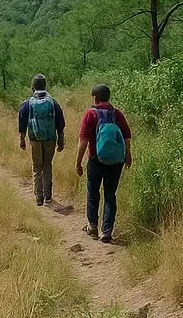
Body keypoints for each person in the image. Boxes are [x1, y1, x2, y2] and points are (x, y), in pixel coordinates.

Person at [75, 84, 131, 243]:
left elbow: (83, 141)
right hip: (115, 161)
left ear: (95, 98)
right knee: (110, 195)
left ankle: (92, 225)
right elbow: (126, 137)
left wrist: (78, 162)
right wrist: (128, 155)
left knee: (93, 192)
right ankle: (106, 231)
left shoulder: (90, 114)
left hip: (95, 159)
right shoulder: (117, 113)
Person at [17, 74, 66, 205]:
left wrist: (21, 139)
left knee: (37, 167)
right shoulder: (53, 102)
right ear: (45, 86)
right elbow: (60, 123)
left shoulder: (27, 103)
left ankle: (39, 197)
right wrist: (61, 140)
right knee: (47, 165)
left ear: (32, 87)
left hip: (35, 138)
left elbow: (22, 121)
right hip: (50, 138)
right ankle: (48, 195)